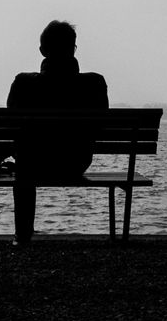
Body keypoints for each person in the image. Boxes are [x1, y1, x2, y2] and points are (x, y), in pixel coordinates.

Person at [7, 20, 108, 243]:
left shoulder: (23, 83)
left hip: (33, 163)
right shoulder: (95, 84)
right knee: (25, 163)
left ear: (43, 50)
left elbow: (11, 126)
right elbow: (101, 127)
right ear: (73, 48)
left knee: (24, 167)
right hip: (75, 161)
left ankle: (22, 235)